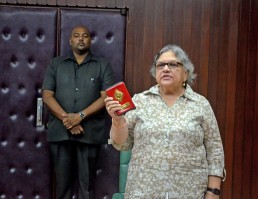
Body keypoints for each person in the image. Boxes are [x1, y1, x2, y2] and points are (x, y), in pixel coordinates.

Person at [105, 44, 225, 199]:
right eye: (160, 65)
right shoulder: (140, 101)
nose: (166, 69)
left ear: (186, 73)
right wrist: (117, 120)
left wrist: (213, 192)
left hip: (189, 192)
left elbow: (215, 151)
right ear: (155, 72)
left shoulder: (201, 105)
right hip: (144, 191)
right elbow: (121, 143)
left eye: (173, 64)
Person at [42, 25, 115, 199]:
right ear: (70, 40)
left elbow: (106, 97)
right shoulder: (56, 64)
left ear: (90, 40)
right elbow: (47, 95)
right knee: (62, 185)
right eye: (76, 36)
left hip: (89, 134)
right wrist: (68, 120)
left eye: (85, 36)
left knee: (87, 185)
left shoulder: (102, 64)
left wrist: (80, 116)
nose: (81, 39)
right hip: (60, 133)